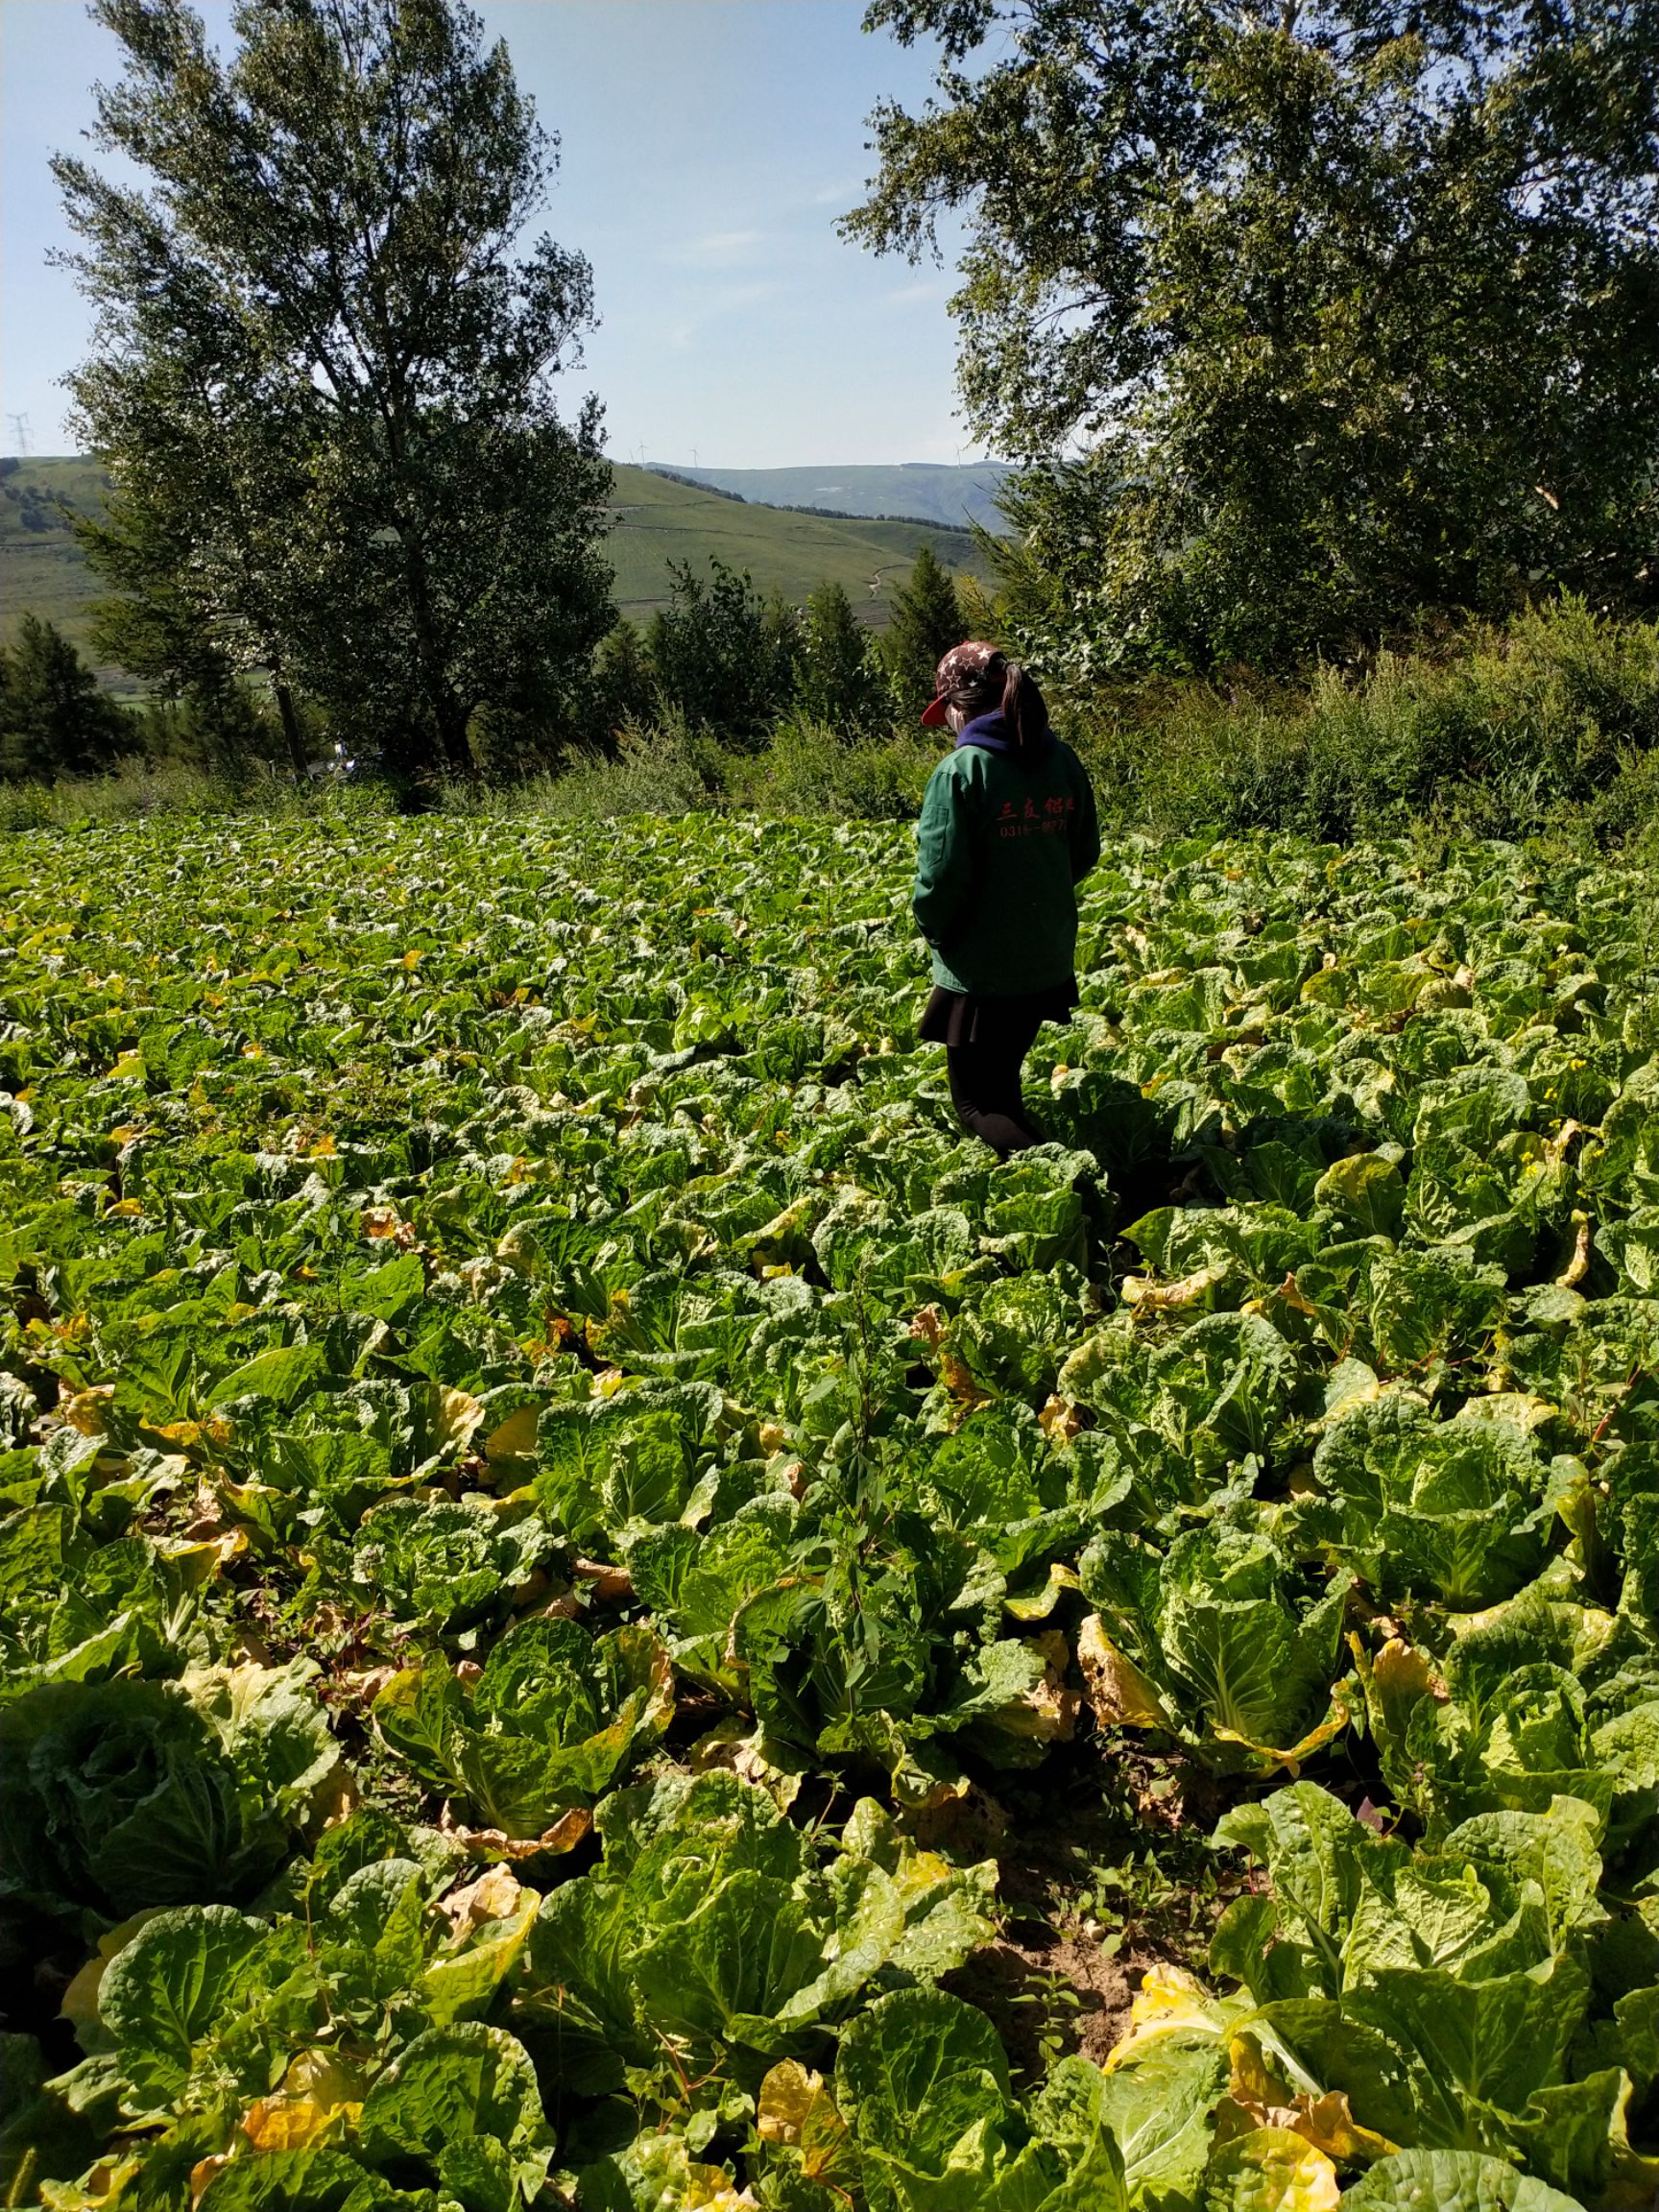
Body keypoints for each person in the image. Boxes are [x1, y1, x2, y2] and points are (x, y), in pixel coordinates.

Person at [911, 640, 1100, 1157]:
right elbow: (1084, 852)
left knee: (976, 1104)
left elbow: (938, 882)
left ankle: (1070, 1182)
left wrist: (939, 934)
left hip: (982, 969)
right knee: (1003, 1085)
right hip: (1045, 957)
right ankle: (1050, 1175)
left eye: (947, 712)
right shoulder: (1060, 758)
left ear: (960, 707)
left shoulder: (962, 771)